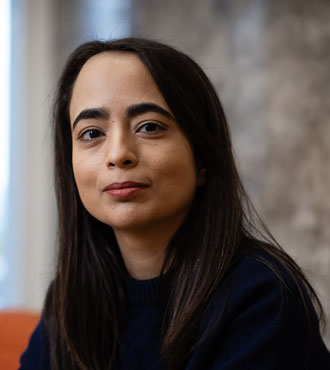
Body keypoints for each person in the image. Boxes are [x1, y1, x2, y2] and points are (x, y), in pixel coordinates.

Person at [19, 38, 330, 370]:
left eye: (149, 127)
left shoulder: (262, 295)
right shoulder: (71, 300)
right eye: (92, 133)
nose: (118, 154)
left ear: (202, 159)